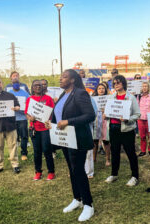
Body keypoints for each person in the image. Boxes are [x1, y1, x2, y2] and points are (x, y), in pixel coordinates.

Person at [50, 69, 95, 222]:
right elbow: (59, 114)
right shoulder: (63, 94)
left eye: (64, 77)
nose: (60, 79)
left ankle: (88, 204)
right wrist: (52, 123)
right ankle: (77, 198)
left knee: (78, 170)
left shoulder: (80, 93)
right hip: (65, 139)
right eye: (60, 76)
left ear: (73, 80)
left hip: (79, 139)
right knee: (71, 169)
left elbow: (90, 115)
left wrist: (68, 122)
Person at [104, 75, 141, 187]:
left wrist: (128, 119)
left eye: (118, 83)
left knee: (130, 153)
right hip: (113, 128)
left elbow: (137, 114)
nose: (116, 85)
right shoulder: (111, 97)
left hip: (126, 129)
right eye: (114, 83)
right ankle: (114, 174)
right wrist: (106, 115)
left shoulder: (131, 97)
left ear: (123, 83)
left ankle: (135, 176)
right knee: (114, 152)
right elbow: (107, 111)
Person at [25, 80, 55, 181]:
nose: (38, 87)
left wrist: (49, 120)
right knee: (37, 151)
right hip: (34, 129)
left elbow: (52, 112)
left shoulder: (48, 98)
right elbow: (26, 113)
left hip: (45, 129)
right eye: (36, 85)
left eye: (40, 85)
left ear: (43, 87)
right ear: (32, 88)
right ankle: (38, 171)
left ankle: (51, 171)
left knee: (47, 150)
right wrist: (30, 118)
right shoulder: (30, 99)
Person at [8, 82, 30, 161]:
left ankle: (24, 153)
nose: (16, 84)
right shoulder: (9, 93)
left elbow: (29, 103)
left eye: (17, 83)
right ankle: (13, 154)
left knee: (24, 137)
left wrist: (25, 105)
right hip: (12, 118)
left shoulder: (25, 93)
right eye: (14, 83)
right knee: (12, 138)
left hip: (22, 118)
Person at [92, 83, 111, 166]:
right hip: (96, 120)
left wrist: (107, 112)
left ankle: (107, 159)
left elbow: (113, 109)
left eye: (103, 88)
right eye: (99, 88)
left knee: (106, 141)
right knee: (95, 141)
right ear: (97, 90)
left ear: (105, 89)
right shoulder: (93, 99)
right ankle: (94, 159)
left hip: (105, 120)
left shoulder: (109, 99)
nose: (101, 90)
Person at [137, 82, 150, 157]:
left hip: (149, 119)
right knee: (142, 136)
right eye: (143, 86)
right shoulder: (139, 97)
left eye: (146, 86)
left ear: (148, 88)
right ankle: (143, 151)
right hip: (140, 119)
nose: (144, 88)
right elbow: (137, 107)